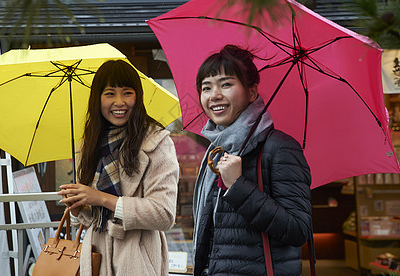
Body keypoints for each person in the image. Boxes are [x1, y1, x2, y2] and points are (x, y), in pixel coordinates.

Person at [192, 45, 312, 275]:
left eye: (226, 84)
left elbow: (298, 230)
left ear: (252, 91)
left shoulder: (279, 148)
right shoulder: (214, 152)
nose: (214, 95)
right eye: (206, 88)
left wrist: (238, 186)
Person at [58, 59, 179, 276]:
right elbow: (92, 220)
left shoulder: (156, 142)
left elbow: (164, 214)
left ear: (137, 96)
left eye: (127, 92)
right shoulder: (90, 144)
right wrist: (78, 209)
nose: (119, 102)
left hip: (138, 260)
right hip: (96, 261)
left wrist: (101, 198)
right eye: (110, 93)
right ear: (98, 99)